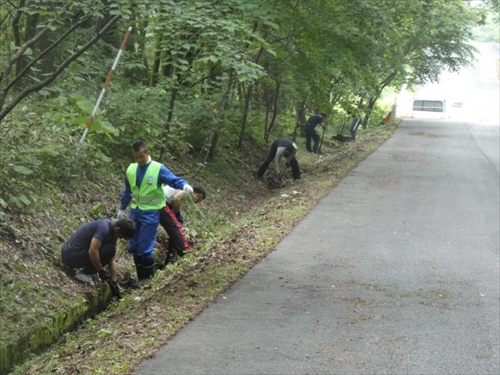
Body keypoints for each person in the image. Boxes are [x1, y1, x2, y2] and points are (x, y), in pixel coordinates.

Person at [118, 140, 193, 288]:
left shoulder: (158, 168)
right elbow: (127, 191)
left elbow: (173, 180)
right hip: (135, 212)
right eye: (136, 157)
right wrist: (121, 208)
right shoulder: (131, 169)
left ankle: (148, 280)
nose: (139, 160)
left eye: (141, 156)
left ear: (147, 152)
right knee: (134, 246)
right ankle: (140, 278)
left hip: (151, 213)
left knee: (145, 247)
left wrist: (184, 185)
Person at [61, 218, 136, 298]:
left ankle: (89, 272)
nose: (121, 239)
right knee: (109, 249)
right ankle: (85, 273)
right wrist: (100, 271)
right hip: (71, 256)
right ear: (117, 229)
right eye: (121, 236)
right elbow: (92, 251)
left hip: (80, 254)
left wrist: (114, 281)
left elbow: (111, 259)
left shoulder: (113, 233)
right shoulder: (104, 228)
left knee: (110, 250)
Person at [159, 185, 206, 264]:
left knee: (173, 227)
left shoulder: (184, 189)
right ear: (197, 196)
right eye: (198, 200)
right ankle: (185, 253)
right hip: (161, 202)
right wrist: (176, 213)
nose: (196, 203)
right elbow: (177, 198)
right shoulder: (187, 190)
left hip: (156, 201)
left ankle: (171, 255)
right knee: (176, 228)